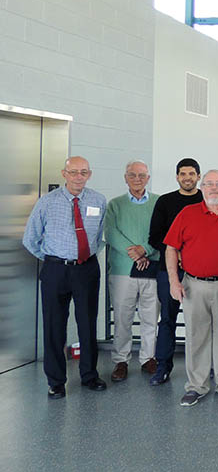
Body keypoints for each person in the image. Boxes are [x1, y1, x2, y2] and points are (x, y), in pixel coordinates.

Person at [23, 156, 108, 398]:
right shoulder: (47, 203)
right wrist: (53, 258)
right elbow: (30, 239)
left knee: (87, 323)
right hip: (56, 270)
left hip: (86, 269)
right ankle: (56, 381)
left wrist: (83, 257)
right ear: (64, 174)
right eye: (74, 172)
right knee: (54, 326)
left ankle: (89, 375)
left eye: (83, 172)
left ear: (89, 174)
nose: (79, 176)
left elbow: (99, 237)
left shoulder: (98, 200)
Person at [163, 169, 218, 407]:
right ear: (202, 186)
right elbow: (170, 248)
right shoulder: (187, 214)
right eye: (209, 184)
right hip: (193, 285)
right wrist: (173, 281)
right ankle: (196, 386)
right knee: (196, 336)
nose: (214, 188)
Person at [147, 158, 203, 386]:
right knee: (168, 319)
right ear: (177, 176)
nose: (187, 177)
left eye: (192, 173)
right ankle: (163, 367)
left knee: (200, 322)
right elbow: (154, 237)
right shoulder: (165, 201)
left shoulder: (206, 199)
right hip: (168, 271)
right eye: (183, 174)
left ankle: (204, 367)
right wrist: (177, 254)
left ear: (199, 176)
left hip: (199, 273)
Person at [105, 160, 160, 383]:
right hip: (123, 271)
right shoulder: (115, 205)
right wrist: (135, 254)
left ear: (148, 178)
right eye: (132, 175)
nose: (137, 179)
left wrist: (145, 250)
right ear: (125, 178)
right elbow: (111, 233)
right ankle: (121, 360)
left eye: (141, 175)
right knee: (122, 317)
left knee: (150, 316)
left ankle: (148, 358)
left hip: (152, 268)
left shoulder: (158, 203)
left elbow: (162, 231)